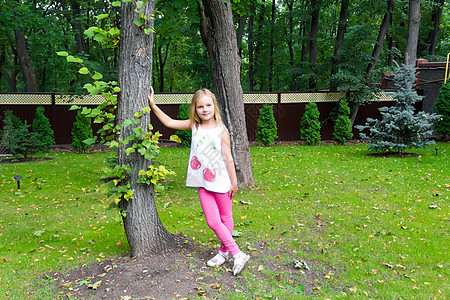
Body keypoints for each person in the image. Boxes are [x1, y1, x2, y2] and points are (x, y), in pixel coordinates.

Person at [148, 87, 250, 276]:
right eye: (200, 106)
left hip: (221, 181)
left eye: (208, 105)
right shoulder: (194, 126)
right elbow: (170, 122)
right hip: (203, 181)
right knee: (212, 220)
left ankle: (226, 253)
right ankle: (235, 253)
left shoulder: (221, 130)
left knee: (225, 217)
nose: (205, 110)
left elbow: (228, 158)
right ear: (195, 109)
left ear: (214, 106)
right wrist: (153, 105)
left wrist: (234, 182)